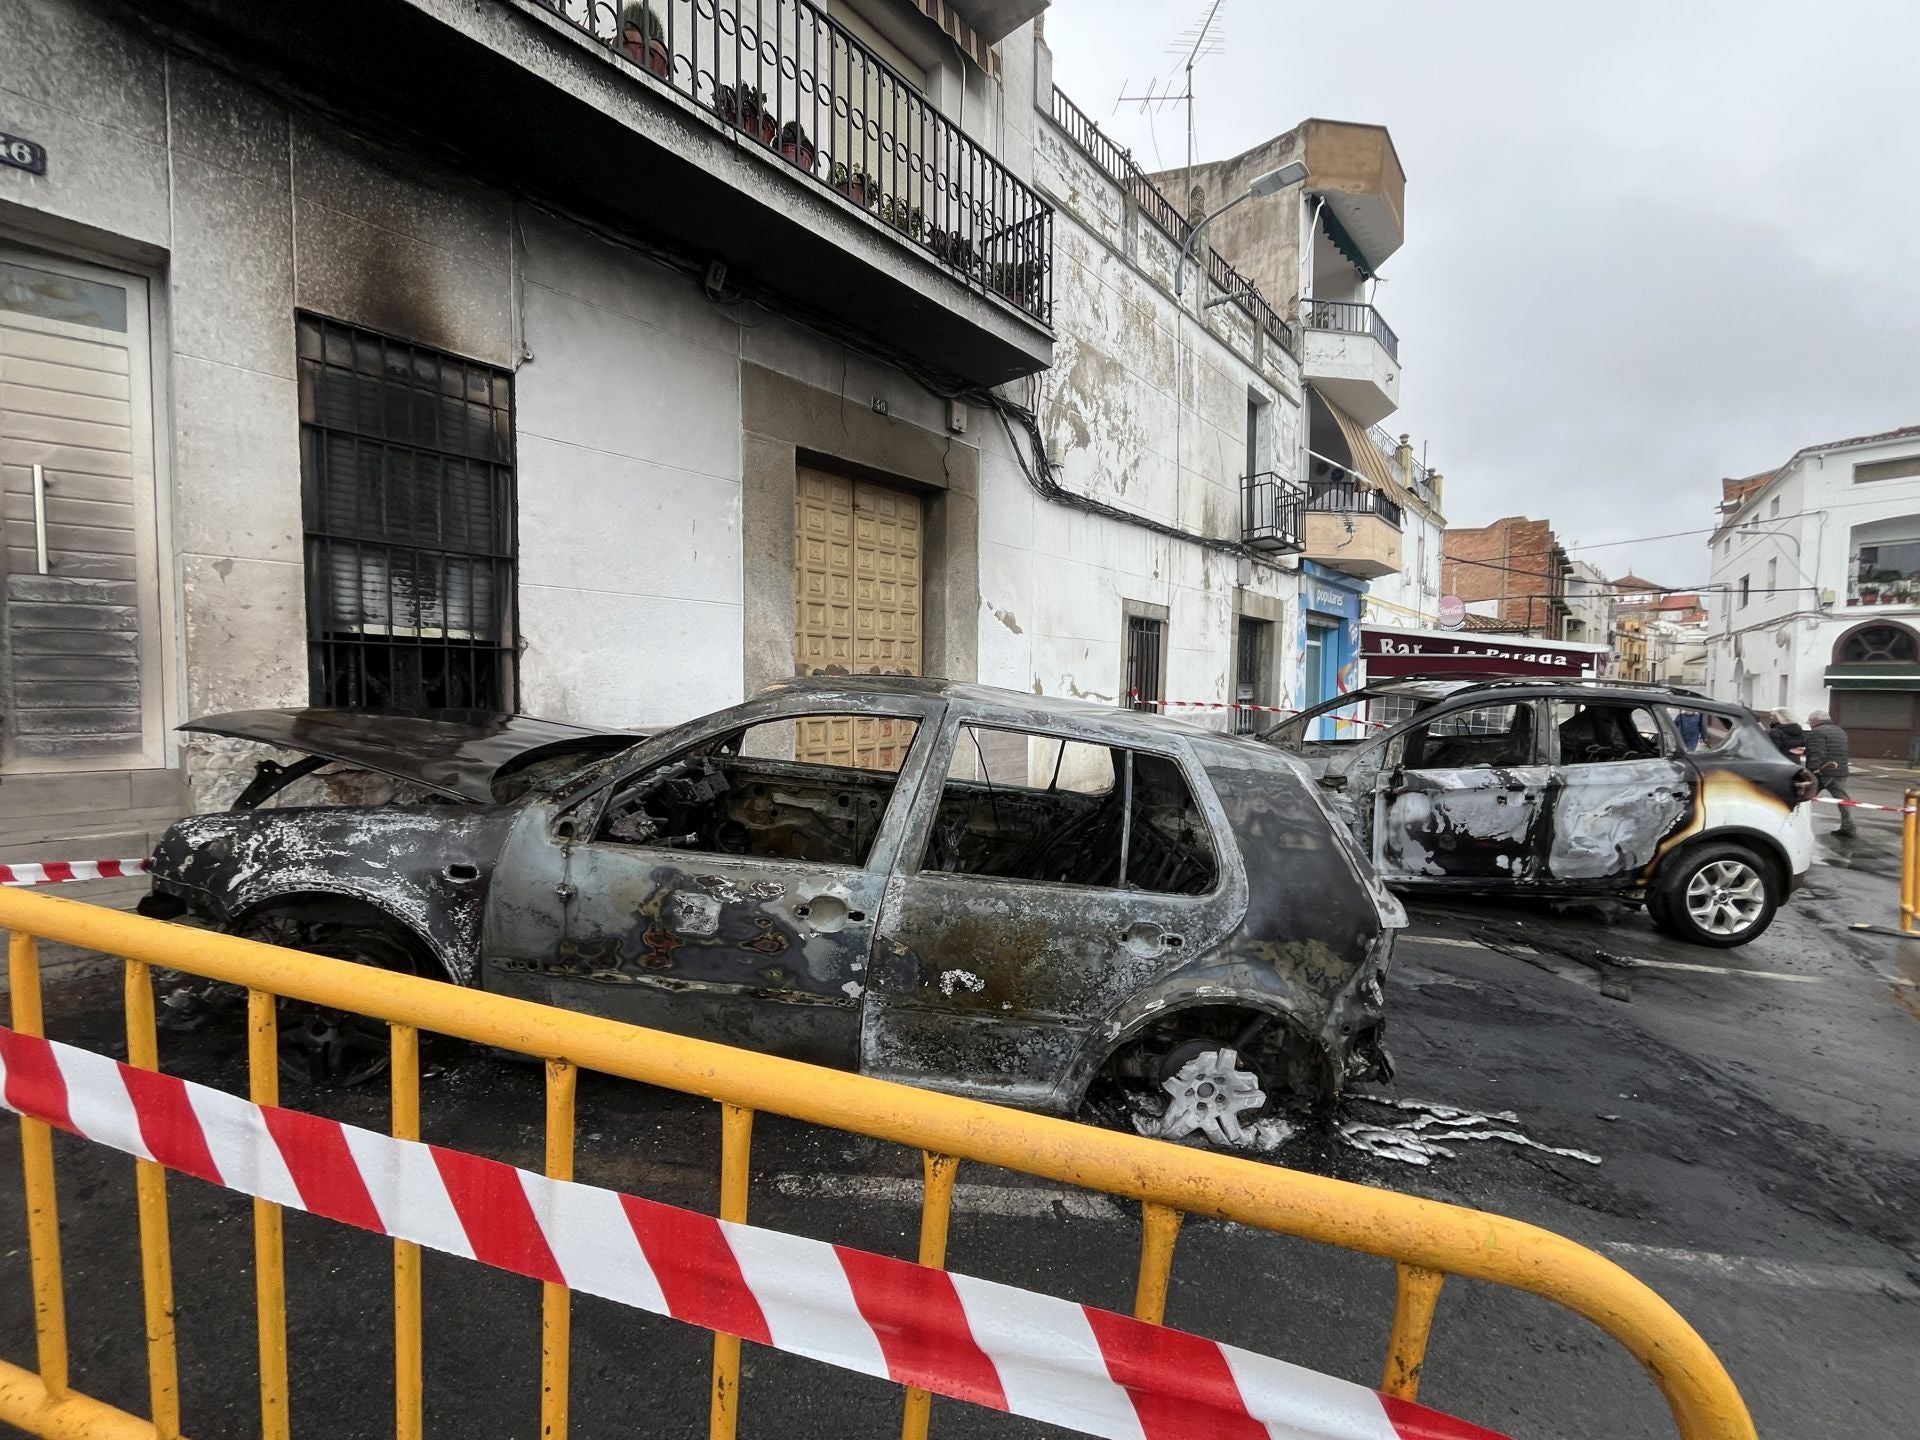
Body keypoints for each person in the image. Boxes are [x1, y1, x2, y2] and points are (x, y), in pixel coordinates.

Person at [1802, 709, 1854, 837]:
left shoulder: (1817, 732)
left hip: (1822, 771)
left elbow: (1817, 752)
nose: (1810, 724)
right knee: (1843, 801)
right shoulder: (1840, 731)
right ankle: (1848, 826)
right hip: (1840, 770)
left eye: (1810, 722)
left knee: (1804, 799)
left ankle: (1796, 825)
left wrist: (1811, 770)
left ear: (1815, 721)